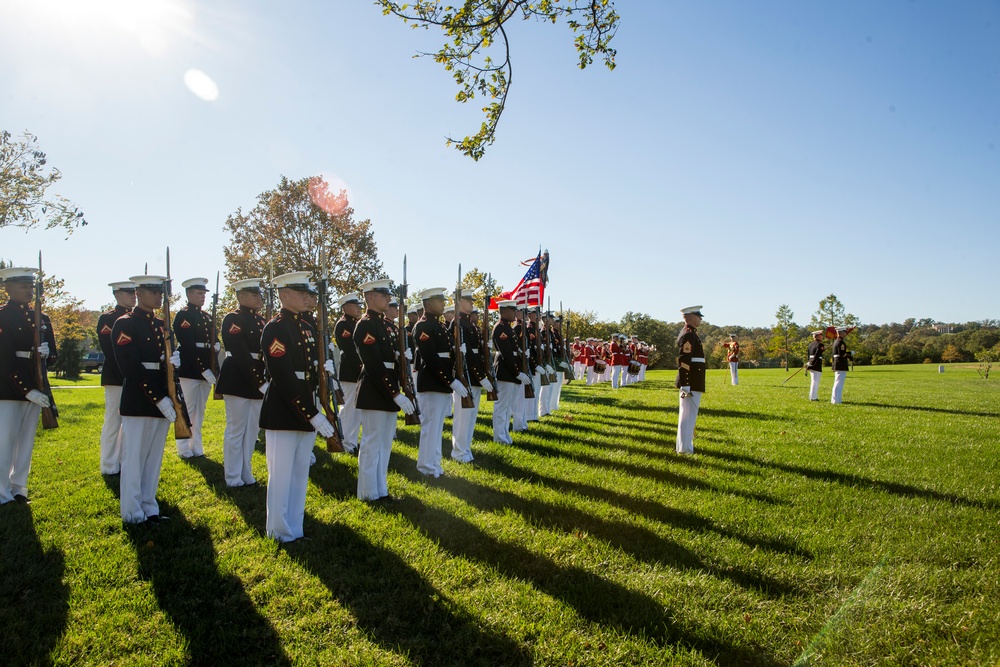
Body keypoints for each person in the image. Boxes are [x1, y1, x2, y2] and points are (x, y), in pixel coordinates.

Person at [259, 271, 336, 543]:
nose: (307, 297)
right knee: (280, 474)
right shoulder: (276, 327)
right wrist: (311, 413)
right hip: (284, 408)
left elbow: (308, 369)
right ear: (283, 295)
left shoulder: (305, 325)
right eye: (300, 292)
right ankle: (279, 531)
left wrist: (324, 372)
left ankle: (295, 526)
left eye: (308, 292)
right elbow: (283, 376)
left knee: (299, 471)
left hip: (307, 405)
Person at [112, 275, 178, 524]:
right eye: (153, 291)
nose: (159, 296)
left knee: (153, 458)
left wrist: (174, 365)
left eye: (161, 292)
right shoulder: (125, 324)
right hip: (140, 399)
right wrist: (157, 398)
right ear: (139, 292)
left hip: (163, 396)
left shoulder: (162, 324)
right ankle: (131, 511)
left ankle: (149, 506)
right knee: (135, 458)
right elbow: (130, 367)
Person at [0, 267, 57, 505]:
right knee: (6, 439)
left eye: (30, 286)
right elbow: (4, 359)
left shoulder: (41, 318)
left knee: (26, 440)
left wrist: (47, 353)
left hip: (37, 384)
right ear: (7, 289)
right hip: (9, 388)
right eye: (23, 286)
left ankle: (18, 487)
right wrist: (26, 389)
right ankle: (2, 491)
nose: (28, 291)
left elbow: (54, 357)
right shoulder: (3, 316)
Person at [353, 279, 414, 501]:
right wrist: (394, 392)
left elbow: (388, 359)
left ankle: (381, 488)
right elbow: (373, 364)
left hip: (388, 387)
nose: (389, 298)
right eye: (383, 295)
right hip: (374, 388)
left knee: (385, 443)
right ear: (370, 298)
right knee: (372, 443)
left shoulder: (385, 325)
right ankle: (368, 492)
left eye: (388, 295)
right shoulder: (366, 325)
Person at [215, 278, 268, 487]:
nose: (259, 298)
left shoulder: (261, 321)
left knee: (252, 431)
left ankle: (246, 472)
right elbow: (240, 354)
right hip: (238, 378)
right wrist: (258, 380)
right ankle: (233, 476)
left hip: (257, 380)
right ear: (241, 297)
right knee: (236, 430)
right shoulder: (233, 319)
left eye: (259, 294)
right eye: (254, 294)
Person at [413, 287, 467, 477]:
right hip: (431, 381)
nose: (444, 304)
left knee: (437, 428)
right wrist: (450, 380)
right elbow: (430, 358)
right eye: (439, 301)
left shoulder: (439, 326)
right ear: (428, 304)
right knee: (431, 427)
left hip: (440, 382)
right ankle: (426, 467)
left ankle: (434, 464)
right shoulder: (423, 326)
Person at [173, 277, 219, 459]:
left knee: (200, 410)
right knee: (188, 408)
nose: (203, 297)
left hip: (206, 369)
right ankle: (183, 447)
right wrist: (202, 368)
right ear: (189, 294)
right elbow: (188, 346)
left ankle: (196, 445)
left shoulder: (207, 316)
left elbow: (213, 339)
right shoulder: (183, 316)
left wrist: (217, 346)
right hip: (191, 370)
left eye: (204, 294)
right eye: (199, 293)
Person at [96, 280, 136, 476]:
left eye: (135, 293)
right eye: (129, 293)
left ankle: (122, 460)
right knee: (113, 421)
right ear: (118, 295)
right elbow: (111, 351)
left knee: (129, 423)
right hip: (116, 376)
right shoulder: (108, 319)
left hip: (134, 377)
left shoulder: (136, 318)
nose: (134, 296)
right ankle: (109, 464)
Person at [450, 289, 490, 463]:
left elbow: (476, 352)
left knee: (471, 415)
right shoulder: (457, 323)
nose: (472, 303)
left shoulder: (469, 323)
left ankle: (466, 449)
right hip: (465, 373)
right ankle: (458, 452)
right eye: (468, 300)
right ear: (458, 302)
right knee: (463, 416)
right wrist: (480, 374)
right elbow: (465, 355)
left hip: (473, 374)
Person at [491, 300, 531, 444]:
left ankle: (504, 434)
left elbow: (514, 350)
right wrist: (516, 372)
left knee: (508, 408)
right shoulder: (500, 328)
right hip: (505, 370)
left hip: (511, 370)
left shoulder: (508, 328)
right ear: (503, 311)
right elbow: (506, 353)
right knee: (502, 407)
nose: (515, 313)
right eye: (512, 311)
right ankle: (499, 437)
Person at [333, 292, 363, 454]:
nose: (359, 308)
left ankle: (352, 442)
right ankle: (344, 442)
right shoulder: (343, 325)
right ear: (345, 307)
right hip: (350, 372)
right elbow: (351, 351)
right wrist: (362, 368)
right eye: (355, 305)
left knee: (356, 410)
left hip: (357, 372)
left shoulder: (355, 324)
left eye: (359, 305)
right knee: (349, 409)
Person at [675, 306, 707, 455]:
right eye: (698, 315)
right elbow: (684, 361)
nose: (700, 318)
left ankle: (684, 446)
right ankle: (685, 449)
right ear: (690, 317)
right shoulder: (688, 335)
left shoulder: (691, 334)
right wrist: (686, 384)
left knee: (688, 416)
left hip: (693, 380)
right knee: (688, 416)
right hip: (691, 381)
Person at [831, 327, 850, 404]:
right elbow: (842, 354)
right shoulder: (841, 342)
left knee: (837, 382)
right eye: (844, 332)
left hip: (837, 362)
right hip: (840, 363)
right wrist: (850, 354)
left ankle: (835, 399)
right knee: (839, 382)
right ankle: (837, 400)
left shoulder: (836, 341)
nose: (845, 334)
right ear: (841, 333)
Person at [806, 330, 825, 401]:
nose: (822, 336)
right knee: (815, 381)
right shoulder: (820, 345)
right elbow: (817, 355)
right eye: (821, 335)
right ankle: (813, 397)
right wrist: (813, 364)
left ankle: (813, 396)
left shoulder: (810, 344)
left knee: (813, 380)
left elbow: (809, 355)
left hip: (811, 362)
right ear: (818, 336)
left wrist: (809, 363)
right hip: (816, 363)